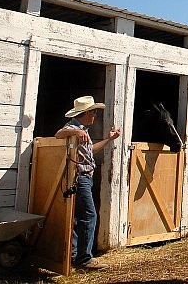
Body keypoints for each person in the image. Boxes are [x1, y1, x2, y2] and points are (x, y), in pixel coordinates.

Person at [55, 95, 120, 272]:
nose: (95, 116)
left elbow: (90, 151)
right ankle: (84, 259)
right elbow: (58, 134)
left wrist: (109, 139)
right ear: (86, 113)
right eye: (93, 112)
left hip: (84, 178)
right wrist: (77, 132)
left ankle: (76, 256)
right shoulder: (74, 128)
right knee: (89, 215)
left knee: (78, 217)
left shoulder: (83, 130)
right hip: (80, 178)